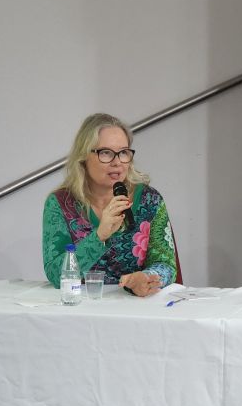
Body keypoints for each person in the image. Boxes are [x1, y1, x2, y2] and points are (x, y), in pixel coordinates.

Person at [42, 113, 178, 296]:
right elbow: (55, 275)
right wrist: (99, 236)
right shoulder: (61, 203)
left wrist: (145, 277)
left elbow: (166, 264)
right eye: (106, 153)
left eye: (123, 152)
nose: (117, 162)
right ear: (83, 157)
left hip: (133, 304)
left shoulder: (149, 200)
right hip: (80, 304)